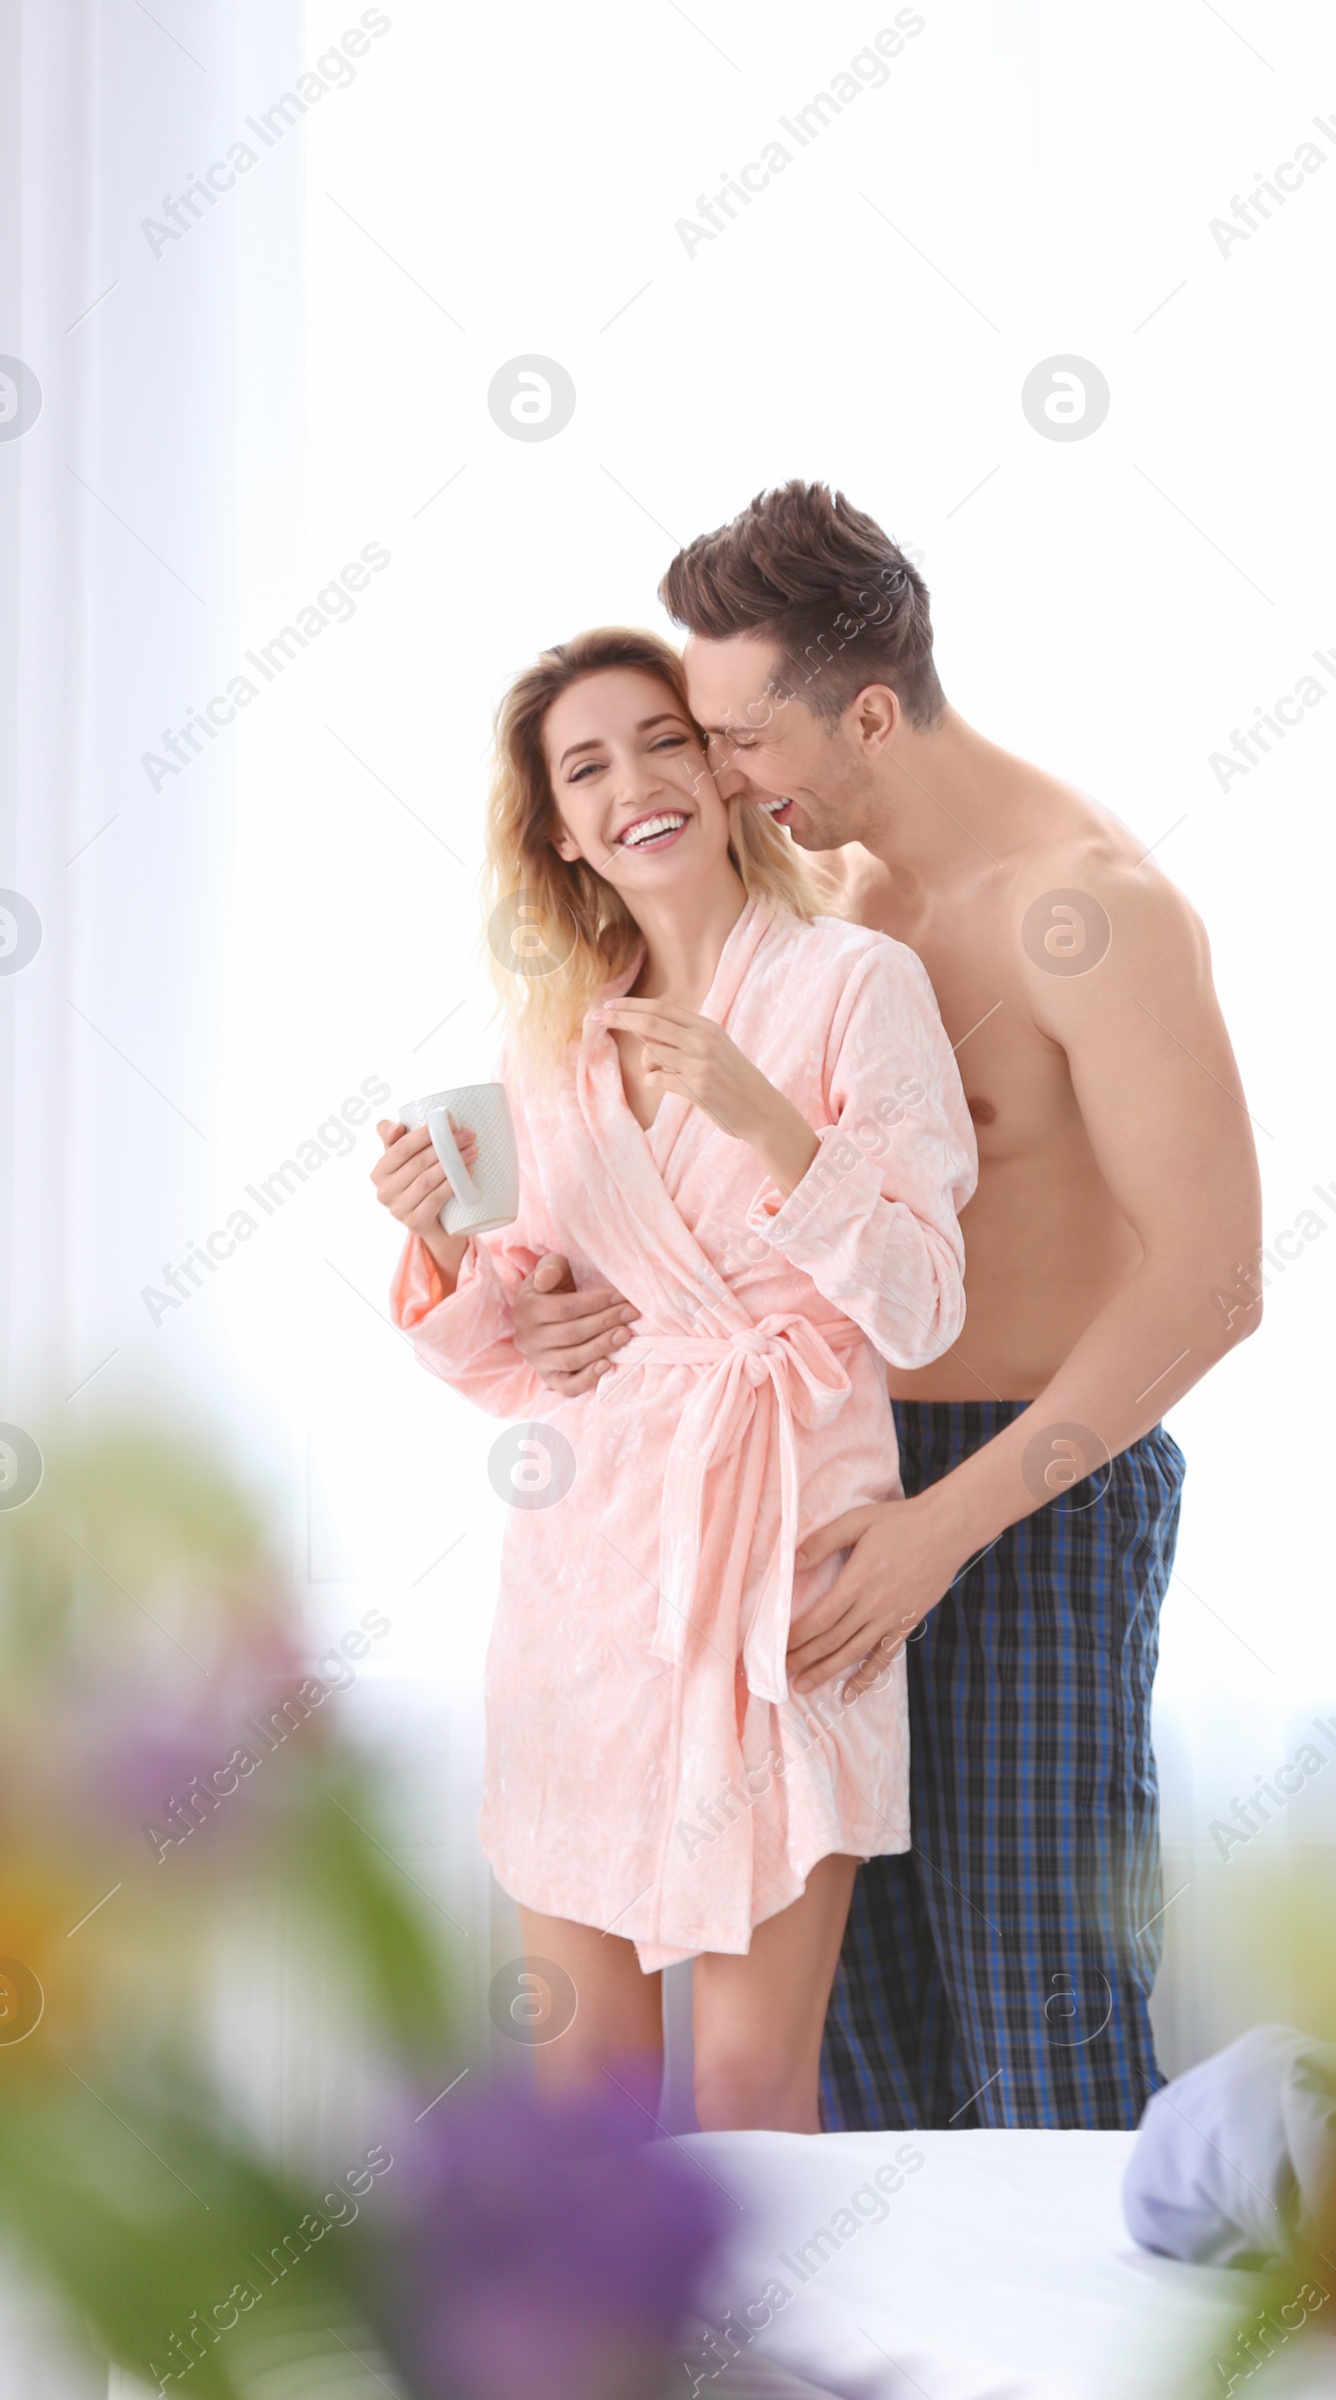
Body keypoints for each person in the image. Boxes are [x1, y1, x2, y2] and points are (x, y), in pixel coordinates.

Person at [510, 490, 1263, 2134]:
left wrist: (950, 1528)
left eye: (732, 735)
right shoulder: (825, 902)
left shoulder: (1092, 907)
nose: (711, 773)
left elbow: (1214, 1279)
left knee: (1038, 2027)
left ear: (864, 711)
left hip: (1027, 1490)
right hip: (817, 1482)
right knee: (854, 2069)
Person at [371, 625, 976, 2134]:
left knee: (755, 2087)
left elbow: (923, 1311)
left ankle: (762, 2380)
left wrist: (770, 1122)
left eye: (662, 739)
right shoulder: (551, 1044)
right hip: (586, 1581)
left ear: (716, 767)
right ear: (563, 836)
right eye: (588, 768)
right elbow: (525, 1359)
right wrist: (446, 1243)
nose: (636, 781)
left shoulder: (856, 981)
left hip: (785, 1559)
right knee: (586, 2101)